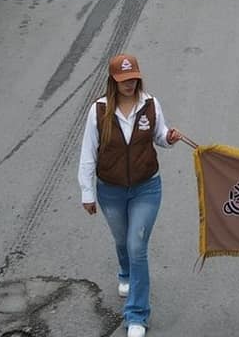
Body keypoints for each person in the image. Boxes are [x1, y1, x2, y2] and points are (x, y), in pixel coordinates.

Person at [78, 53, 181, 337]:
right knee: (122, 240)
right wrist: (87, 192)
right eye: (123, 80)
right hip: (110, 191)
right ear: (113, 80)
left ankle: (137, 315)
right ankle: (124, 272)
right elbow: (88, 154)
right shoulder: (98, 111)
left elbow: (159, 136)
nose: (129, 84)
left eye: (133, 78)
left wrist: (169, 139)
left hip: (147, 187)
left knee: (137, 246)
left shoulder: (150, 105)